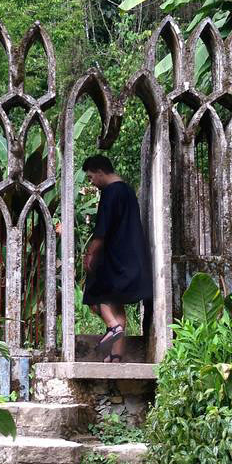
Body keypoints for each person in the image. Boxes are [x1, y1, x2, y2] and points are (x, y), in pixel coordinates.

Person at [81, 154, 152, 362]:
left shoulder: (110, 193)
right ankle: (116, 356)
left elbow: (101, 230)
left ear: (101, 172)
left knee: (97, 293)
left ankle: (112, 327)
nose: (92, 182)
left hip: (115, 257)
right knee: (117, 304)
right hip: (132, 257)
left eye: (91, 177)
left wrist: (90, 254)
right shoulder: (128, 190)